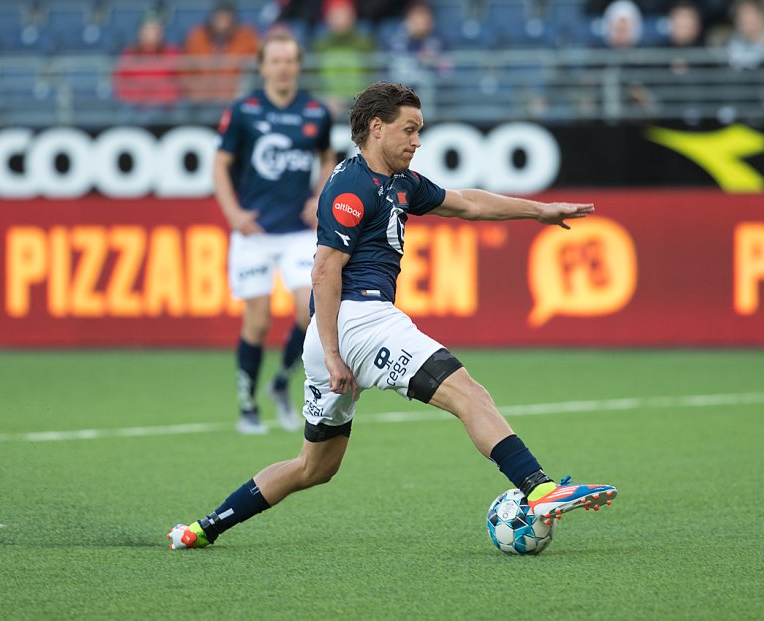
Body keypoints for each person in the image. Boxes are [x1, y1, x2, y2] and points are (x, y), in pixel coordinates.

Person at [167, 81, 618, 550]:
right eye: (410, 129)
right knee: (468, 393)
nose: (417, 141)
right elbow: (324, 271)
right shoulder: (350, 185)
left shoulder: (402, 183)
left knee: (314, 467)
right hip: (357, 321)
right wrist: (334, 354)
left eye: (419, 130)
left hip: (338, 334)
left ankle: (203, 528)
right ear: (377, 128)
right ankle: (540, 489)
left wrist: (539, 211)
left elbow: (467, 202)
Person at [213, 29, 337, 435]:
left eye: (290, 60)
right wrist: (233, 213)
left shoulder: (315, 111)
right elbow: (220, 164)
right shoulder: (244, 110)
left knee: (309, 310)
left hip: (298, 232)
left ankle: (281, 380)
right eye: (276, 60)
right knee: (259, 319)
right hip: (255, 232)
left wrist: (318, 197)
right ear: (263, 67)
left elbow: (327, 158)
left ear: (299, 66)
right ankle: (247, 404)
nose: (283, 68)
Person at [182, 1, 260, 103]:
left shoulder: (246, 37)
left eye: (226, 18)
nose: (223, 23)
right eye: (220, 18)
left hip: (234, 98)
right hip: (201, 101)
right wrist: (197, 91)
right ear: (212, 19)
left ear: (233, 20)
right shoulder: (197, 37)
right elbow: (185, 71)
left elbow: (255, 68)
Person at [312, 0, 373, 117]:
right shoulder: (320, 45)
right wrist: (323, 99)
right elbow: (312, 79)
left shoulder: (364, 44)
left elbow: (374, 75)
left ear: (353, 16)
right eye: (336, 15)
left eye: (345, 14)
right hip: (329, 104)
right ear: (327, 18)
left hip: (362, 104)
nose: (341, 20)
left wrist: (363, 99)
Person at [112, 16, 182, 108]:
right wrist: (138, 96)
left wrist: (161, 96)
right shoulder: (129, 54)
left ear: (161, 33)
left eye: (154, 30)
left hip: (165, 108)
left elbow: (181, 83)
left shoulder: (172, 53)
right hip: (135, 107)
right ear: (140, 32)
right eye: (147, 30)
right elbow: (120, 83)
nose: (150, 34)